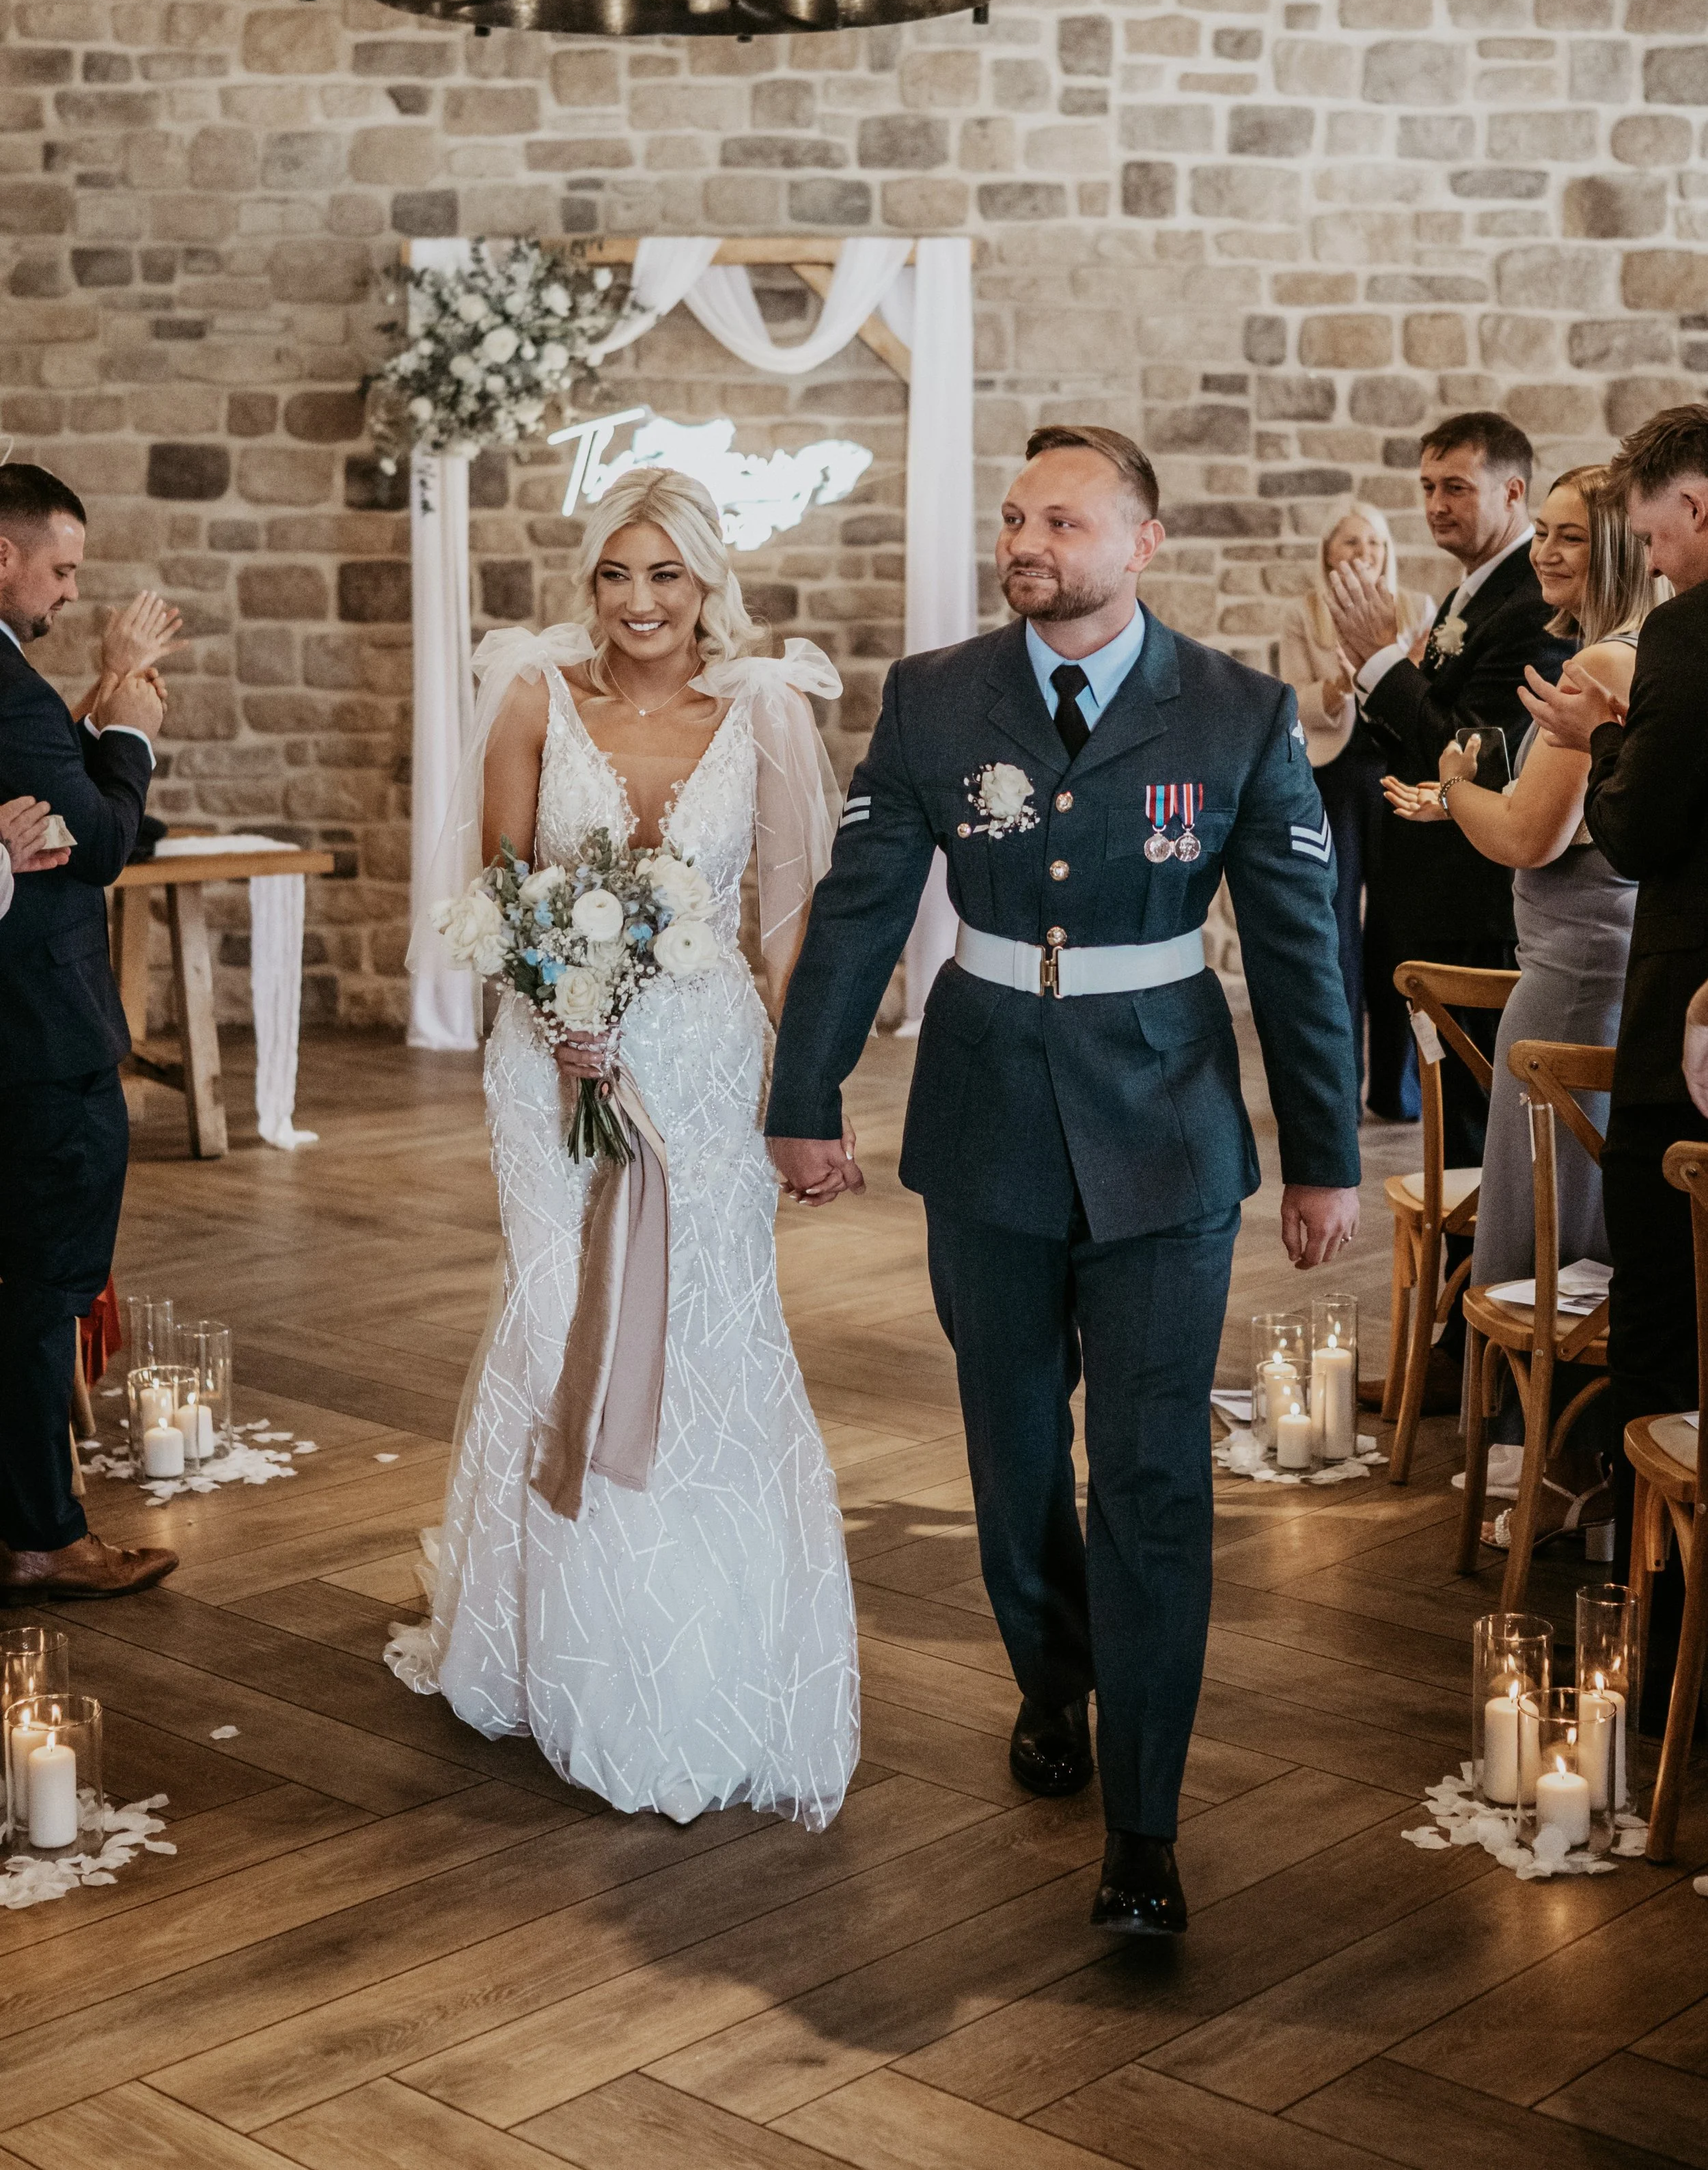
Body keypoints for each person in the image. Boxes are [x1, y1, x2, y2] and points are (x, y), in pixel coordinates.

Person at [766, 425, 1362, 1937]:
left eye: (1063, 521)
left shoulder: (1236, 713)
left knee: (1152, 1479)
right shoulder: (932, 697)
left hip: (1164, 1129)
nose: (1027, 540)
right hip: (984, 1122)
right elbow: (857, 908)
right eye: (1016, 516)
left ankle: (1143, 1829)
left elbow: (1298, 946)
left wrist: (1321, 1155)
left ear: (1141, 544)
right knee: (1015, 1454)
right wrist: (804, 1090)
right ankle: (1053, 1680)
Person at [392, 469, 859, 1830]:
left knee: (709, 1321)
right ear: (586, 584)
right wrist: (560, 1014)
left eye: (665, 575)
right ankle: (554, 1646)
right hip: (551, 1072)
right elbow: (496, 887)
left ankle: (704, 1644)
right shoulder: (538, 701)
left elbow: (781, 920)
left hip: (709, 1066)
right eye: (615, 574)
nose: (639, 602)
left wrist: (807, 1094)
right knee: (560, 1313)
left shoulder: (761, 716)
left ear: (706, 582)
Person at [1385, 463, 1657, 1542]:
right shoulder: (1647, 651)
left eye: (1572, 539)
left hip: (1572, 979)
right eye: (1540, 534)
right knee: (1580, 1221)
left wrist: (1458, 787)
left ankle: (1562, 1474)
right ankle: (1577, 1468)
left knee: (1553, 1234)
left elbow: (1530, 836)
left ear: (1625, 549)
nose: (1546, 554)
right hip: (1598, 961)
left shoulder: (1599, 659)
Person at [1327, 411, 1568, 1414]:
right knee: (1460, 1142)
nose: (1434, 505)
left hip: (1475, 906)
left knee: (1477, 1147)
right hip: (1430, 889)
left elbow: (1470, 751)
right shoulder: (1477, 593)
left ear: (1514, 492)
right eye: (1426, 485)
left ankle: (1474, 1366)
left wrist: (1386, 664)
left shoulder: (1525, 604)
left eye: (1456, 487)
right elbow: (1437, 755)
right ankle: (1452, 1352)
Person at [1521, 407, 1708, 1697]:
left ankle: (1659, 1626)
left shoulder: (1689, 635)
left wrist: (1598, 734)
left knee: (1664, 1326)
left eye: (1653, 531)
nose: (1655, 555)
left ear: (1694, 509)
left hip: (1683, 1034)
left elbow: (1636, 835)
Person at [0, 461, 178, 1600]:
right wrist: (129, 734)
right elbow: (108, 843)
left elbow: (64, 810)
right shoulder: (6, 689)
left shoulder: (20, 691)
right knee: (42, 1289)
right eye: (59, 568)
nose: (66, 593)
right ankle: (45, 1534)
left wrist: (99, 703)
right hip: (37, 1039)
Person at [1279, 503, 1431, 1121]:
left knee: (1396, 926)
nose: (1363, 552)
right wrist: (1341, 685)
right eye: (1350, 542)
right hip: (1333, 776)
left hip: (1399, 776)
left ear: (1387, 550)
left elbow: (1421, 696)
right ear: (1329, 551)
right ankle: (1338, 1088)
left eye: (1374, 541)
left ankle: (1397, 1090)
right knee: (1335, 929)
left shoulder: (1418, 609)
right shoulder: (1303, 613)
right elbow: (1295, 701)